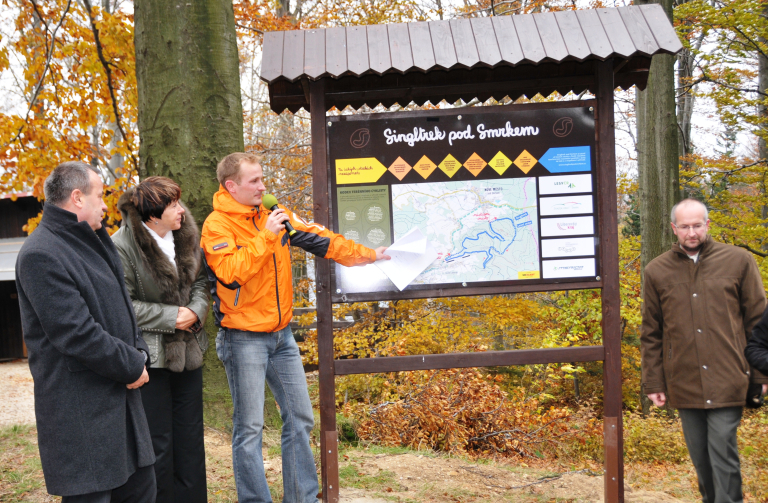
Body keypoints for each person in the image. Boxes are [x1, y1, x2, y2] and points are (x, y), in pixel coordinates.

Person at [200, 152, 389, 503]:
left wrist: (370, 255)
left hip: (282, 336)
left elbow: (322, 238)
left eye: (262, 178)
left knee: (301, 418)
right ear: (232, 186)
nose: (263, 186)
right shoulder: (217, 226)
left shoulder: (274, 214)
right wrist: (266, 237)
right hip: (243, 339)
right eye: (254, 181)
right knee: (250, 428)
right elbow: (230, 273)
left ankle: (301, 498)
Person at [15, 161, 156, 502]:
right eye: (100, 195)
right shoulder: (40, 254)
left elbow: (123, 309)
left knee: (142, 493)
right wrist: (132, 365)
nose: (106, 204)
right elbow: (76, 333)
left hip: (121, 406)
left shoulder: (91, 241)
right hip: (82, 414)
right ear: (77, 198)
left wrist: (140, 355)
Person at [641, 198, 768, 503]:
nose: (691, 232)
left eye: (697, 225)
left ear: (707, 224)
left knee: (723, 449)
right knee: (701, 459)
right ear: (674, 228)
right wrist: (654, 382)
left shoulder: (738, 261)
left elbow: (758, 323)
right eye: (684, 226)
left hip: (729, 375)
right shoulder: (656, 271)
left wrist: (761, 374)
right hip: (684, 380)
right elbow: (651, 333)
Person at [112, 177, 210, 503]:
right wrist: (172, 318)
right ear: (154, 215)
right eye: (174, 205)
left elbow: (200, 282)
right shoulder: (121, 246)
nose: (182, 210)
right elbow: (123, 306)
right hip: (150, 359)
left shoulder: (186, 236)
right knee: (160, 442)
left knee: (191, 439)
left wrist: (194, 312)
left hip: (189, 353)